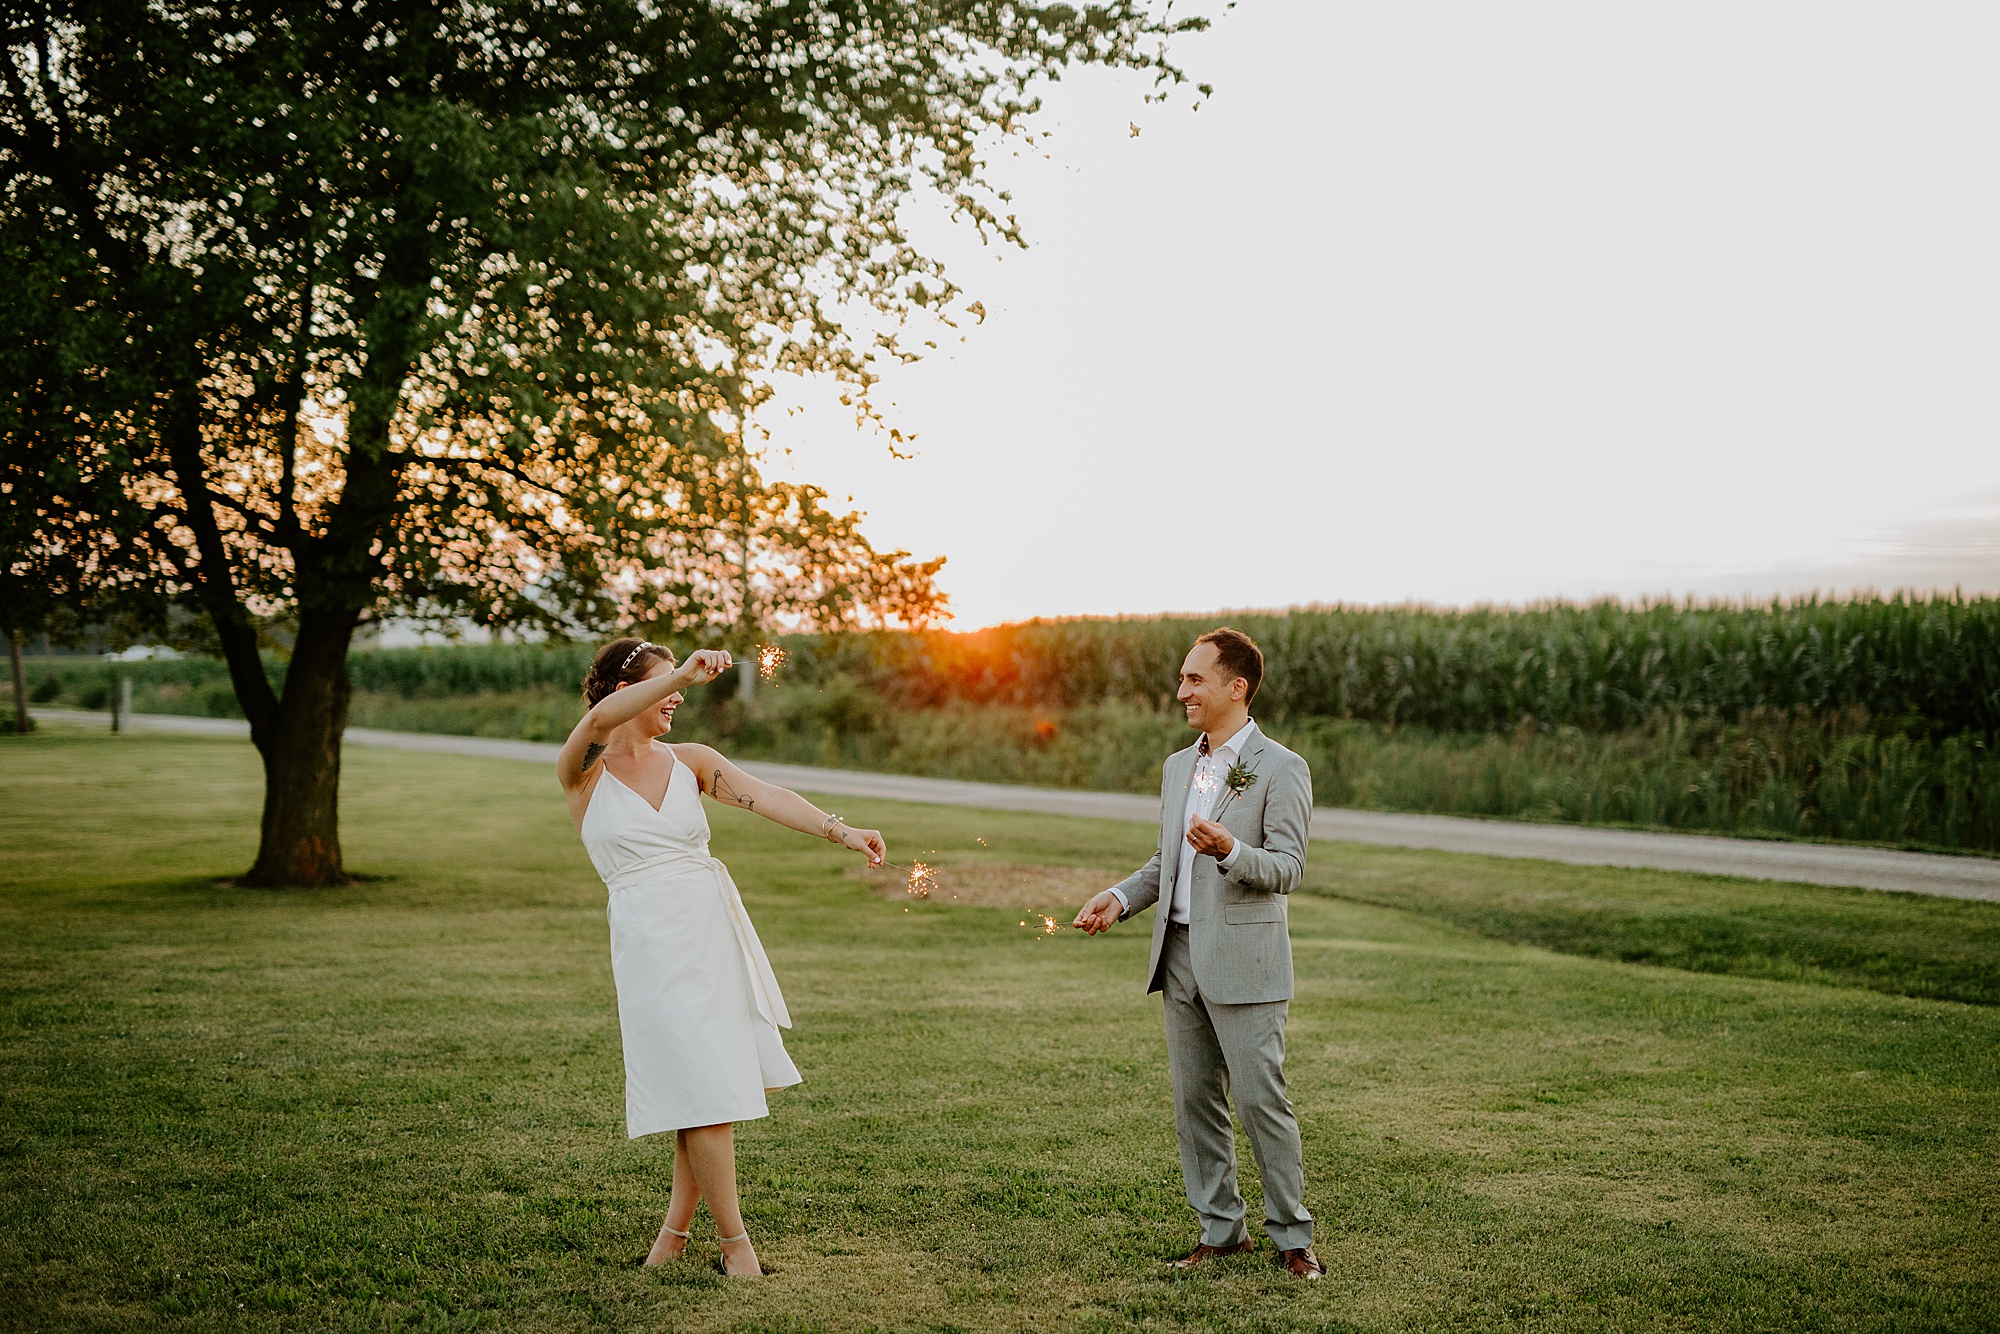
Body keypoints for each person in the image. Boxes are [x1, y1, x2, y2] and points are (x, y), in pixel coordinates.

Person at [558, 637, 886, 1277]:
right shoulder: (584, 768)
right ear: (629, 693)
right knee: (700, 1087)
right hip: (649, 943)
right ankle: (736, 1245)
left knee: (706, 1089)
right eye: (666, 686)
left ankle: (674, 1237)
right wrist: (681, 670)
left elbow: (766, 796)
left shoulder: (690, 760)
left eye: (679, 685)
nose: (677, 696)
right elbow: (599, 722)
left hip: (709, 932)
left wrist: (843, 831)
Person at [1072, 628, 1323, 1279]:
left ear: (1235, 687)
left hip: (1245, 960)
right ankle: (1222, 1229)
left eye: (1194, 680)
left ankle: (1294, 1238)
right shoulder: (1179, 767)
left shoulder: (1281, 767)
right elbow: (1167, 861)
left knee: (1261, 1103)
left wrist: (1230, 853)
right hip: (1178, 956)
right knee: (1194, 1104)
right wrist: (1120, 898)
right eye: (1182, 678)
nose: (1181, 690)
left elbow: (1288, 867)